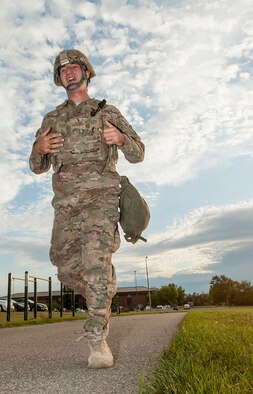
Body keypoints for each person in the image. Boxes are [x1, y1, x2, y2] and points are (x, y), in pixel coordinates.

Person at [29, 49, 145, 368]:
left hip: (101, 195)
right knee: (65, 266)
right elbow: (37, 166)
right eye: (62, 69)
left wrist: (121, 138)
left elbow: (138, 153)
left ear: (87, 72)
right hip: (66, 200)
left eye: (73, 66)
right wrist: (38, 149)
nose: (68, 71)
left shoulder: (108, 112)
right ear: (58, 78)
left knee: (94, 259)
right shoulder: (52, 119)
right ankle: (103, 285)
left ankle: (98, 341)